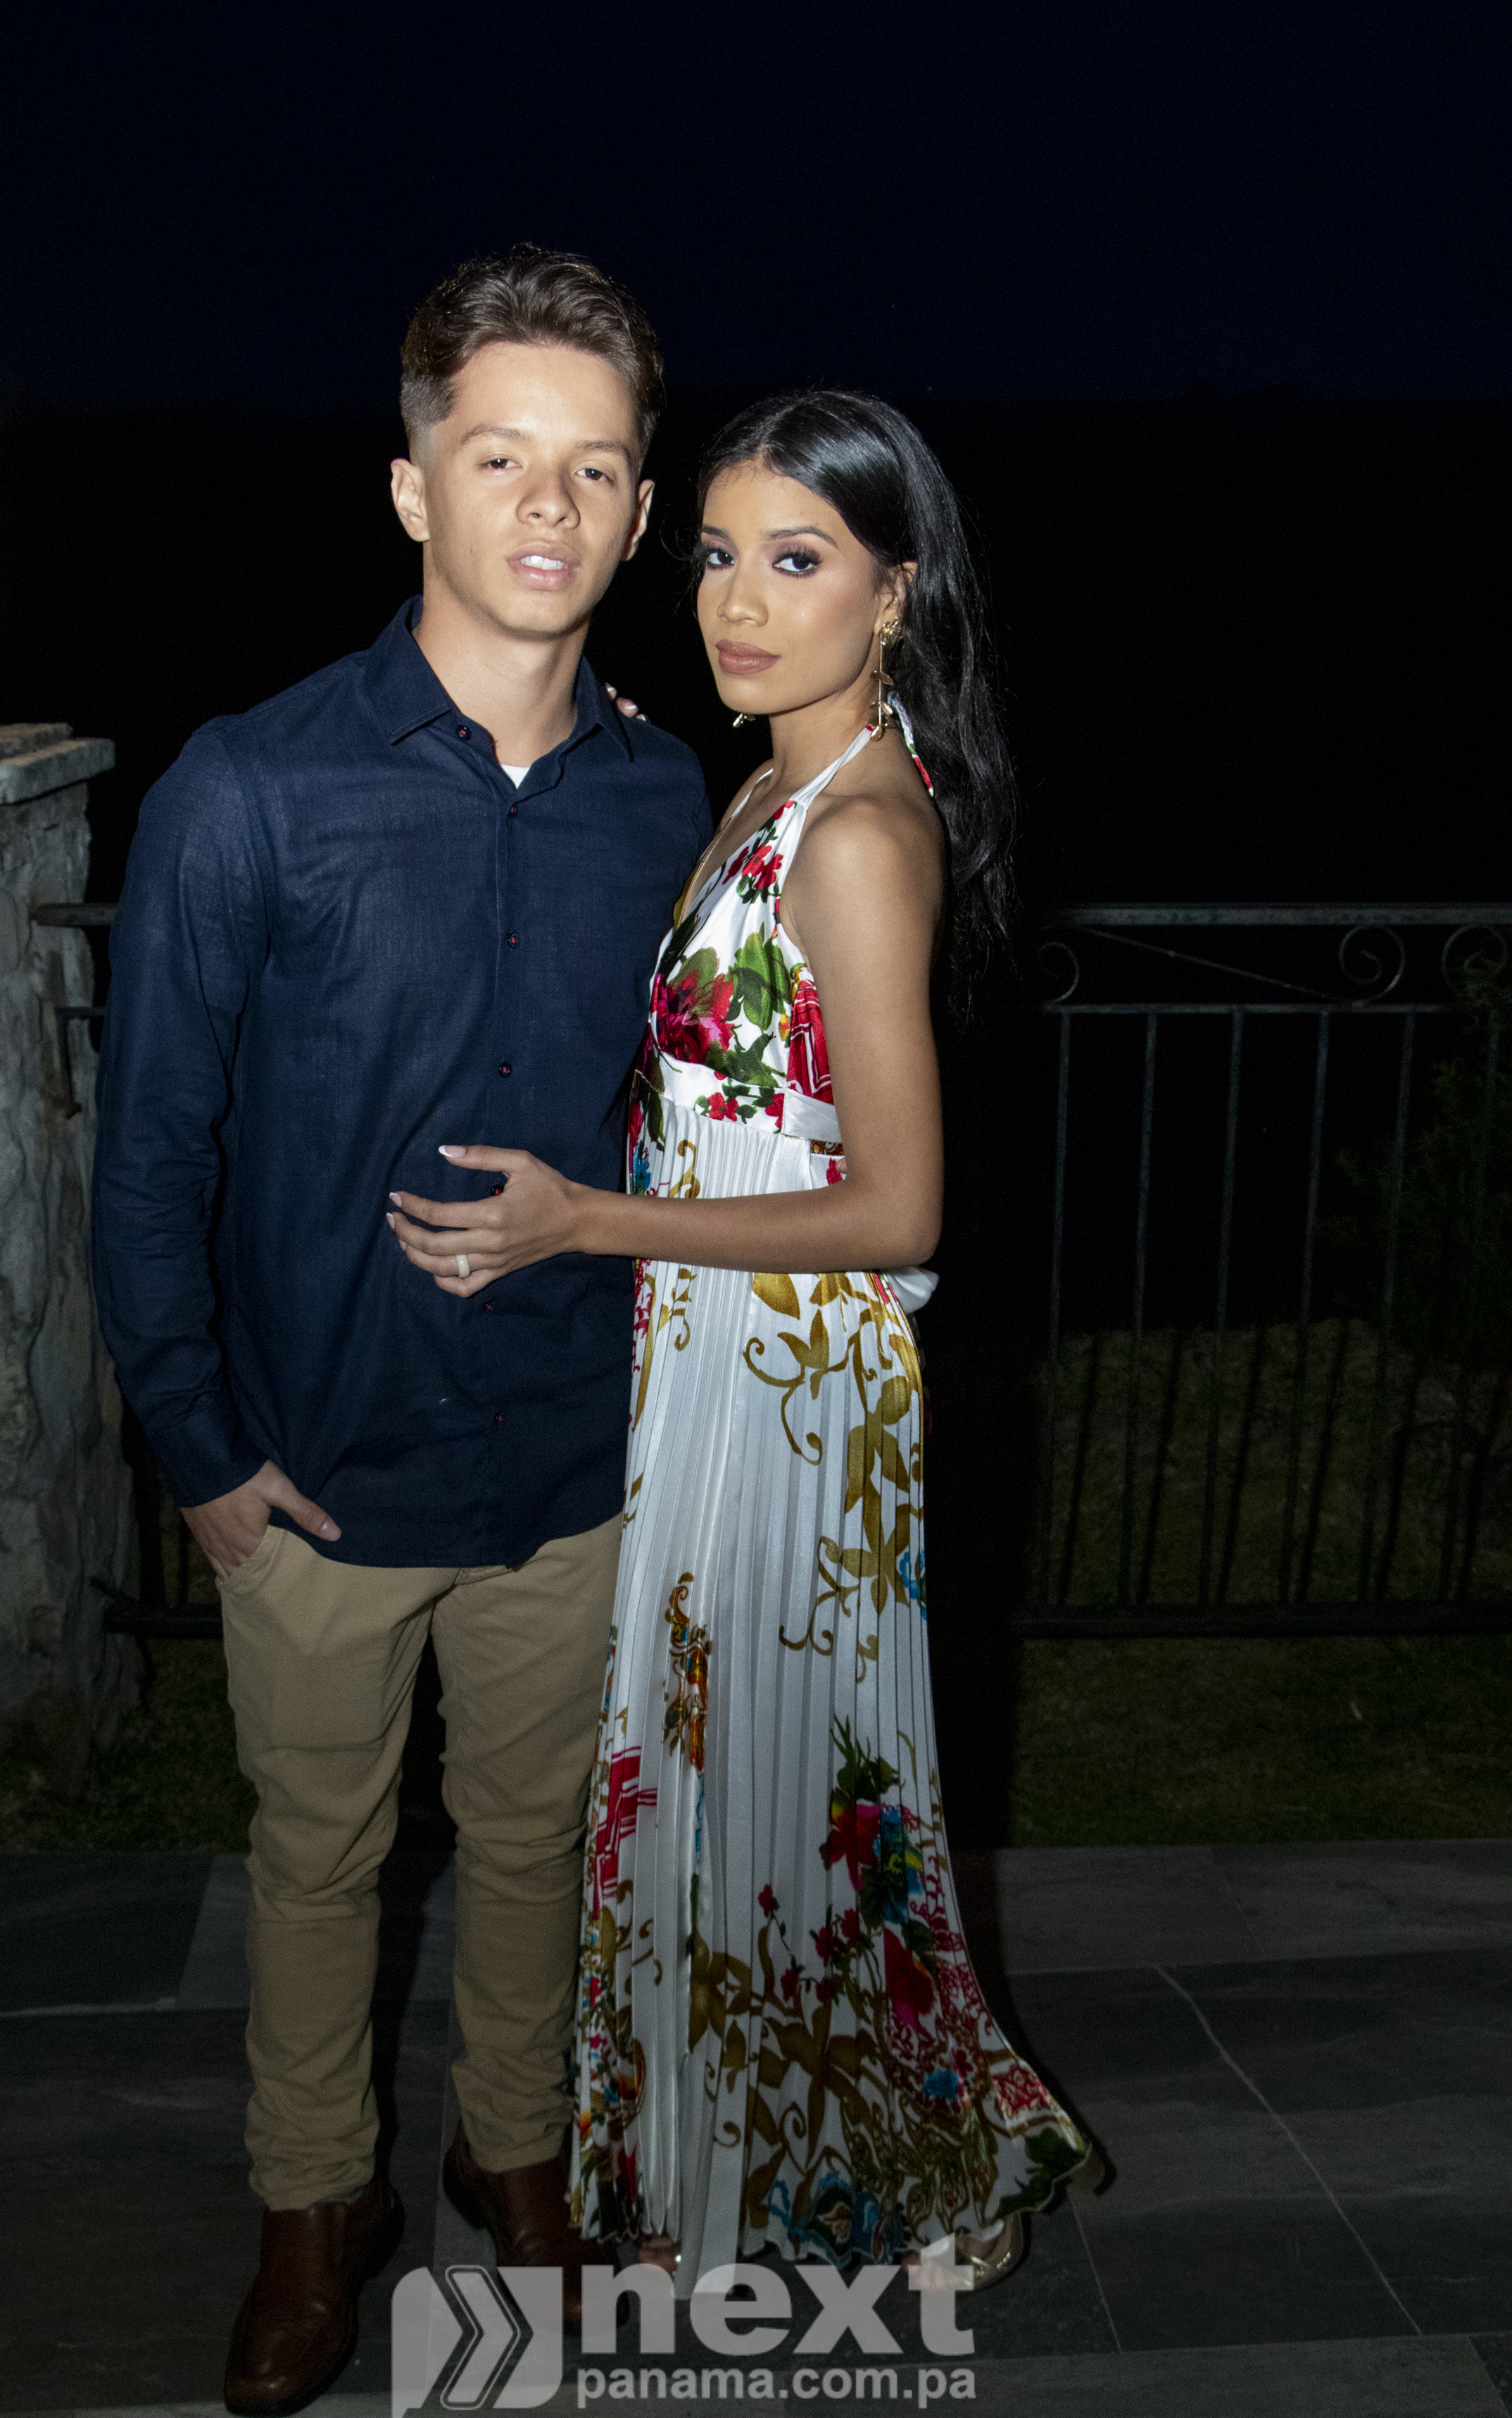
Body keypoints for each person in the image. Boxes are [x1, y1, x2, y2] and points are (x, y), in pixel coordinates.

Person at [386, 390, 1098, 2288]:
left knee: (796, 1780)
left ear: (896, 592)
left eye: (797, 559)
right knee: (733, 1782)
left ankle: (911, 2167)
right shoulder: (768, 786)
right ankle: (744, 2152)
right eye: (715, 554)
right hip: (717, 1355)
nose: (738, 601)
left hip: (795, 1380)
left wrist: (585, 1219)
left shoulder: (855, 829)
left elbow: (902, 1210)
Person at [90, 249, 711, 2416]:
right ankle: (311, 2202)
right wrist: (199, 1450)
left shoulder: (671, 801)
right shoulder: (247, 787)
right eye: (500, 456)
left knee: (537, 1848)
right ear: (411, 487)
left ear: (641, 514)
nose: (549, 504)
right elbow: (147, 1155)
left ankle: (509, 2155)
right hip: (319, 1473)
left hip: (570, 1460)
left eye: (595, 468)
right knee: (319, 1859)